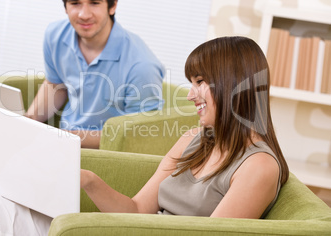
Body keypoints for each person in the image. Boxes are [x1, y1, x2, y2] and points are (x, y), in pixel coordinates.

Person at [0, 0, 164, 200]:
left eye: (94, 2)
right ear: (65, 5)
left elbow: (135, 139)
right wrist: (28, 121)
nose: (83, 14)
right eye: (75, 3)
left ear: (112, 5)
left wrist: (65, 136)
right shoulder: (56, 35)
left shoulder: (141, 66)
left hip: (94, 157)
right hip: (57, 141)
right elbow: (56, 85)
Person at [80, 36, 289, 218]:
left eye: (199, 82)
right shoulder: (193, 139)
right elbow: (137, 210)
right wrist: (88, 180)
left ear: (232, 85)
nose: (190, 95)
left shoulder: (258, 166)